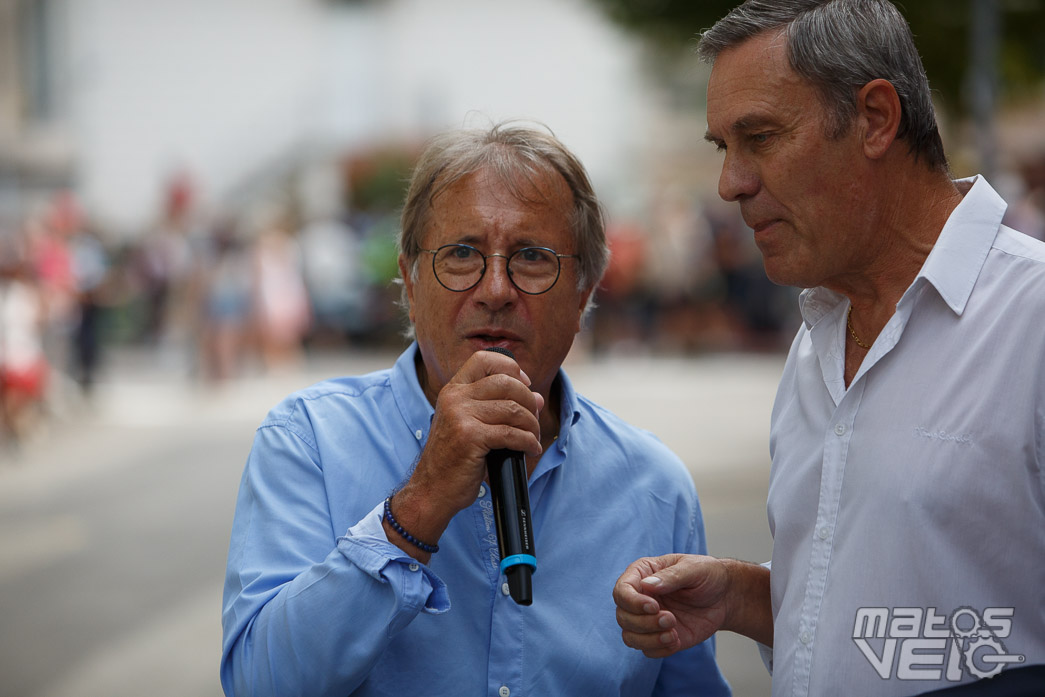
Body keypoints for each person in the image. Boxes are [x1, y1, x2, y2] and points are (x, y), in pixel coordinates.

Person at [613, 1, 1045, 695]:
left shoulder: (1031, 319)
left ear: (875, 117)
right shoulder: (816, 337)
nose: (730, 183)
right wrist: (742, 596)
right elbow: (894, 621)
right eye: (723, 147)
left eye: (759, 136)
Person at [221, 122, 731, 697]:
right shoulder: (310, 440)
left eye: (532, 257)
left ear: (585, 293)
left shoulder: (653, 487)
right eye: (462, 254)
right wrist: (419, 505)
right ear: (411, 281)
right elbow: (259, 684)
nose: (495, 288)